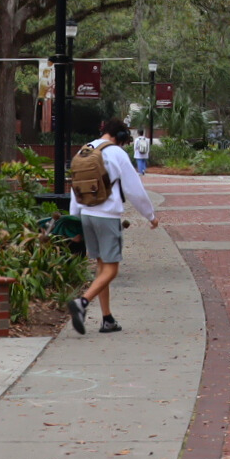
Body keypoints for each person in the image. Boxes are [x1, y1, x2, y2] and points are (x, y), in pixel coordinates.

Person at [67, 118, 157, 335]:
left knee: (101, 266)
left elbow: (75, 187)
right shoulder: (117, 154)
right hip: (107, 216)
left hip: (86, 213)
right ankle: (82, 302)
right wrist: (150, 215)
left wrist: (74, 219)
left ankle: (107, 319)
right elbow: (134, 189)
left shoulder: (85, 150)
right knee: (112, 269)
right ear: (122, 137)